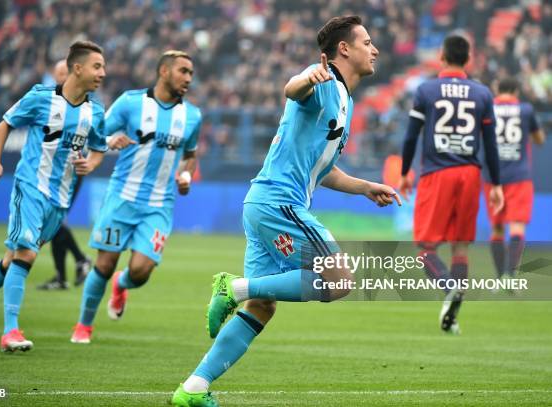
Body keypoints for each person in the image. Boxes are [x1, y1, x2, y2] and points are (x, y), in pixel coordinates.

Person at [171, 16, 401, 407]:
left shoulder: (344, 101)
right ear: (343, 49)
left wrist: (365, 187)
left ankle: (192, 388)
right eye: (366, 41)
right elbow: (292, 89)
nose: (374, 49)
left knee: (262, 307)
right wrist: (307, 80)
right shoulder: (323, 79)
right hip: (280, 203)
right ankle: (233, 286)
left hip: (262, 204)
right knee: (338, 280)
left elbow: (322, 171)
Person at [0, 41, 107, 352]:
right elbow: (5, 125)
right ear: (77, 68)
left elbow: (99, 147)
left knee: (11, 261)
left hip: (60, 200)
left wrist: (92, 163)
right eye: (97, 66)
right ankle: (10, 332)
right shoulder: (41, 98)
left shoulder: (95, 111)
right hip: (30, 186)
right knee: (27, 255)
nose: (103, 73)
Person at [70, 50, 201, 344]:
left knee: (141, 271)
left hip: (158, 205)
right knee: (103, 265)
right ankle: (84, 326)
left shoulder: (192, 116)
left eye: (191, 73)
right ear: (164, 72)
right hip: (122, 197)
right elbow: (96, 133)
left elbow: (190, 155)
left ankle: (122, 284)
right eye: (183, 71)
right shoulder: (130, 103)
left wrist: (186, 175)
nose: (188, 79)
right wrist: (107, 142)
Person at [398, 35, 504, 334]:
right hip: (470, 174)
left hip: (437, 171)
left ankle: (448, 289)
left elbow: (410, 136)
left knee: (425, 248)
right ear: (468, 60)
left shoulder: (427, 90)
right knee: (460, 248)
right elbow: (490, 144)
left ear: (442, 56)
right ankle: (452, 316)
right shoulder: (482, 93)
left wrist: (406, 171)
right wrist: (495, 184)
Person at [37, 59, 92, 290]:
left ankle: (81, 260)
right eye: (57, 74)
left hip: (71, 171)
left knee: (55, 220)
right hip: (53, 172)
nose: (60, 78)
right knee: (54, 223)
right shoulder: (51, 101)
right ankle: (62, 275)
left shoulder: (83, 104)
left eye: (63, 73)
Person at [485, 77, 545, 281]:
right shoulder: (526, 110)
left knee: (497, 227)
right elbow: (540, 140)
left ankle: (500, 276)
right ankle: (511, 275)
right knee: (517, 225)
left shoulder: (487, 108)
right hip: (519, 176)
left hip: (493, 178)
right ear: (517, 92)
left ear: (496, 88)